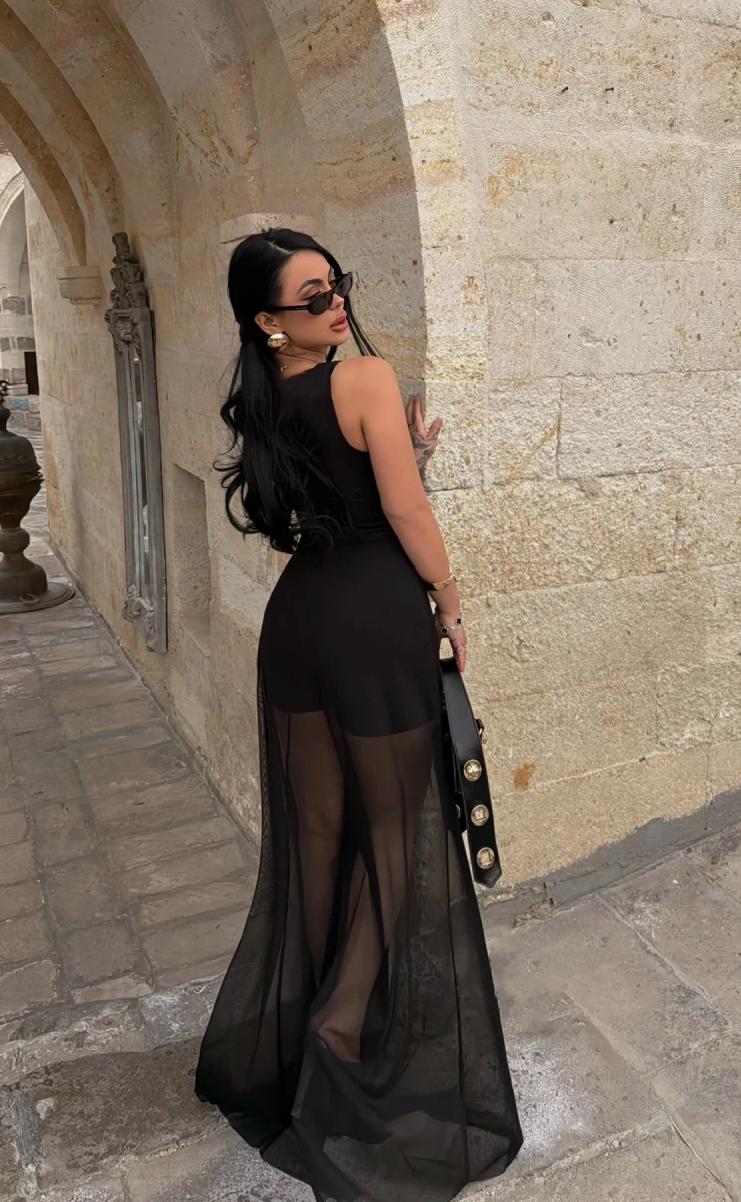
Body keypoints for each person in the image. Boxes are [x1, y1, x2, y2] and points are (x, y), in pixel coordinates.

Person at [195, 228, 523, 1202]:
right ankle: (339, 1033)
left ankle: (294, 1040)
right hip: (376, 624)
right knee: (393, 838)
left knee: (317, 841)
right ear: (268, 319)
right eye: (311, 297)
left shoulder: (268, 400)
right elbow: (403, 514)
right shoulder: (367, 378)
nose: (335, 302)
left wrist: (400, 451)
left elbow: (329, 501)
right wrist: (451, 598)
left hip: (298, 625)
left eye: (335, 284)